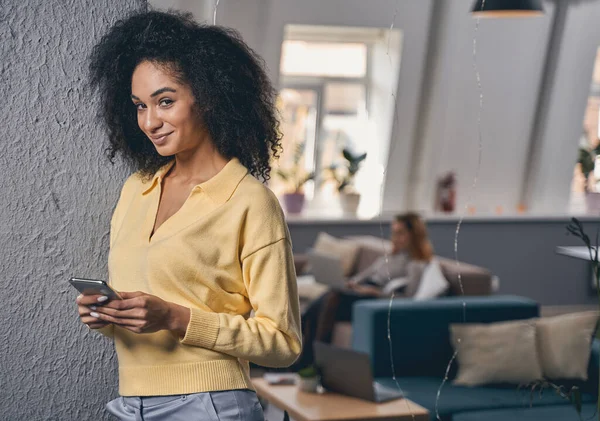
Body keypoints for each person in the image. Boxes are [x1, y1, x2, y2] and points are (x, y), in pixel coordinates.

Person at [76, 10, 301, 421]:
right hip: (130, 403)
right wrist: (107, 314)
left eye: (165, 101)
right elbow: (141, 309)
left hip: (209, 405)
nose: (149, 122)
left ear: (210, 95)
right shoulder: (136, 191)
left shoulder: (250, 202)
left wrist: (175, 318)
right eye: (139, 106)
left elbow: (282, 343)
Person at [293, 212, 433, 370]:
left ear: (414, 235)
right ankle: (306, 357)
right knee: (334, 292)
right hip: (360, 290)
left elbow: (408, 298)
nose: (395, 237)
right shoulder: (392, 256)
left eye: (400, 233)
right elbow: (366, 274)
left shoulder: (416, 264)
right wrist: (351, 283)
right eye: (394, 232)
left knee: (333, 298)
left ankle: (311, 355)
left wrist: (374, 293)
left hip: (372, 298)